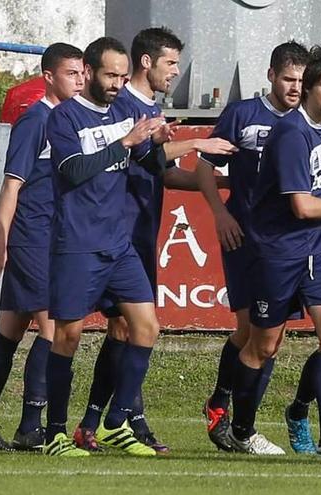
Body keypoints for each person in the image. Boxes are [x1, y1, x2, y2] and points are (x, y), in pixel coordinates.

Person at [73, 26, 234, 455]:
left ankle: (101, 423)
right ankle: (100, 422)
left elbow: (158, 171)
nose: (176, 72)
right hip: (113, 233)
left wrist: (215, 185)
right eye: (171, 63)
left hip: (141, 232)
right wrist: (196, 142)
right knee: (114, 327)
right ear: (147, 62)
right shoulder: (122, 104)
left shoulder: (154, 109)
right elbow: (138, 153)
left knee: (127, 330)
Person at [228, 47, 321, 457]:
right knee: (263, 345)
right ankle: (241, 430)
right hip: (279, 252)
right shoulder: (291, 133)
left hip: (318, 251)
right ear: (308, 88)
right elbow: (303, 205)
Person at [43, 36, 169, 457]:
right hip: (78, 242)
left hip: (119, 244)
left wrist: (157, 143)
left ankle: (115, 422)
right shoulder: (64, 118)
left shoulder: (127, 112)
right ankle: (54, 434)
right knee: (68, 335)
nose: (117, 83)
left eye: (121, 75)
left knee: (146, 327)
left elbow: (148, 164)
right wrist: (125, 142)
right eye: (109, 75)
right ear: (90, 72)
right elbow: (73, 171)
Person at [197, 41, 309, 452]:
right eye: (288, 79)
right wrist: (220, 214)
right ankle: (231, 415)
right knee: (251, 330)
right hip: (243, 235)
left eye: (301, 80)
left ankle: (226, 409)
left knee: (270, 339)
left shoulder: (307, 121)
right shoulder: (243, 114)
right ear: (270, 76)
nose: (296, 88)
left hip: (287, 242)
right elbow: (205, 166)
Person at [0, 43, 84, 452]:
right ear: (50, 77)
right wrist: (1, 242)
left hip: (54, 237)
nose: (80, 80)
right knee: (53, 330)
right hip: (32, 237)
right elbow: (12, 184)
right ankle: (31, 426)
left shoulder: (70, 122)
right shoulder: (36, 120)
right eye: (72, 73)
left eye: (82, 72)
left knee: (11, 329)